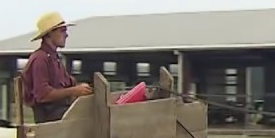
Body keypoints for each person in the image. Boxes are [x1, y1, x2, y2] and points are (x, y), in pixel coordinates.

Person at [20, 11, 177, 124]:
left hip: (64, 113)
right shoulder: (40, 59)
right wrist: (74, 91)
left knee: (105, 107)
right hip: (52, 119)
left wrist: (82, 91)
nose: (66, 34)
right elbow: (42, 95)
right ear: (49, 35)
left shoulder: (54, 58)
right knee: (100, 117)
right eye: (62, 31)